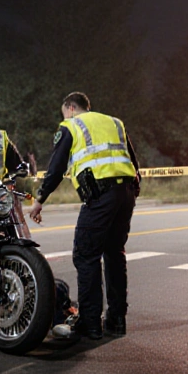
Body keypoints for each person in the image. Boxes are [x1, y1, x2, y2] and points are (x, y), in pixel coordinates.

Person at [28, 91, 140, 341]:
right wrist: (133, 190)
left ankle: (90, 323)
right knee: (114, 253)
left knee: (86, 256)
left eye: (63, 113)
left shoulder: (70, 125)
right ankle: (116, 320)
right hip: (126, 193)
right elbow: (133, 161)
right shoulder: (114, 122)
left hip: (100, 196)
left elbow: (56, 168)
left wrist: (39, 200)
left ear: (70, 107)